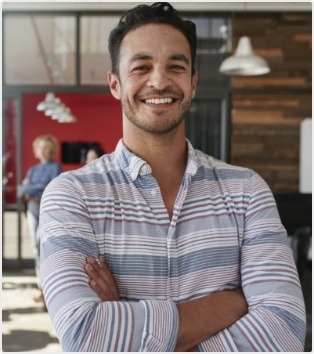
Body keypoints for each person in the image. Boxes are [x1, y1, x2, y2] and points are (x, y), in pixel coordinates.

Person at [39, 3, 306, 351]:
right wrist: (234, 302)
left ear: (193, 83)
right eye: (142, 66)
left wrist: (128, 320)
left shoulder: (247, 190)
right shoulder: (71, 194)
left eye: (175, 66)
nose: (160, 80)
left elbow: (285, 332)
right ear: (115, 84)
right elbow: (85, 334)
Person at [18, 134, 62, 303]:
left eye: (46, 147)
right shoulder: (33, 169)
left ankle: (50, 286)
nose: (42, 150)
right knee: (36, 249)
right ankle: (41, 288)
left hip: (46, 209)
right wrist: (31, 188)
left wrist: (30, 187)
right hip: (32, 209)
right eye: (40, 147)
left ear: (51, 150)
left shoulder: (55, 167)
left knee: (42, 245)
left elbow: (49, 187)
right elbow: (21, 190)